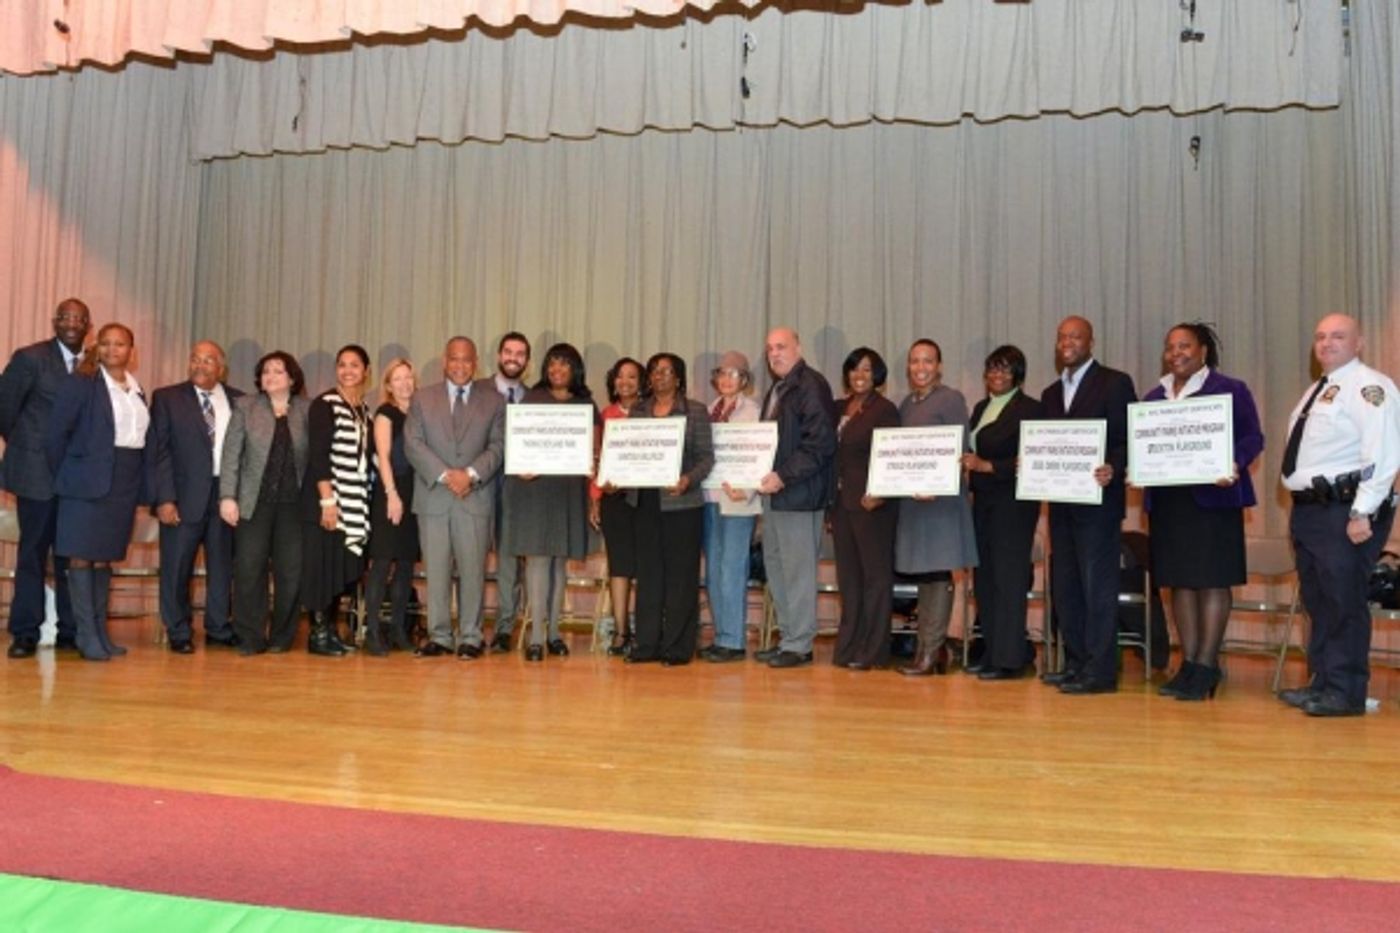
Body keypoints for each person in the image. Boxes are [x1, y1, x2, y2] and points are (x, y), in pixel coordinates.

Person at [1278, 313, 1400, 717]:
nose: (1327, 343)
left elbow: (1381, 453)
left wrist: (1363, 510)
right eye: (1321, 337)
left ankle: (1346, 691)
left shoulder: (1369, 387)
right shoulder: (1320, 390)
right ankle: (1323, 681)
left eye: (1338, 336)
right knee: (1320, 600)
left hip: (1346, 511)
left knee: (1343, 599)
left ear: (1358, 342)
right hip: (1312, 513)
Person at [1143, 324, 1264, 701]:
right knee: (1180, 581)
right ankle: (1189, 664)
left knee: (1211, 580)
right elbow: (1145, 444)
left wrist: (1234, 462)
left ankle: (1207, 664)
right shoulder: (1153, 398)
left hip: (1214, 499)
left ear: (1203, 352)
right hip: (1169, 504)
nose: (1176, 353)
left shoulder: (1230, 389)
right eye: (1170, 347)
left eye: (1184, 346)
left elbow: (1253, 437)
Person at [1039, 316, 1137, 694]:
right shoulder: (1050, 394)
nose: (1068, 343)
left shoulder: (1115, 382)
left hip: (1098, 503)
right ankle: (1077, 662)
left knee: (1097, 587)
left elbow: (1129, 437)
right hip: (1061, 504)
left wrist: (1115, 465)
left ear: (1091, 342)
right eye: (1062, 336)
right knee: (1067, 586)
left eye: (1076, 337)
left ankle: (1100, 671)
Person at [44, 323, 150, 661]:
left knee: (104, 556)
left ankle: (101, 634)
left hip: (123, 482)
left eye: (120, 344)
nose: (112, 349)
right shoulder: (82, 382)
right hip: (84, 482)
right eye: (105, 343)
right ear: (97, 347)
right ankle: (85, 636)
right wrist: (71, 473)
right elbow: (55, 434)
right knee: (81, 556)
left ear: (131, 352)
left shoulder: (136, 389)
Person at [403, 338, 506, 659]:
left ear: (475, 363)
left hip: (474, 498)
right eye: (454, 359)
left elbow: (499, 446)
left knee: (473, 571)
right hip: (434, 497)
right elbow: (413, 444)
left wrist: (471, 474)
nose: (460, 366)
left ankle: (471, 637)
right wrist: (448, 475)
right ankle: (440, 636)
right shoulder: (422, 398)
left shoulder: (494, 401)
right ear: (444, 361)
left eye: (466, 360)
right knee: (435, 571)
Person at [0, 298, 90, 658]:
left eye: (79, 319)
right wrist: (29, 448)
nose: (71, 323)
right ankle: (25, 632)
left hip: (76, 480)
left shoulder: (92, 366)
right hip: (36, 475)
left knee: (71, 555)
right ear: (55, 321)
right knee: (33, 554)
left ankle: (70, 630)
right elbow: (4, 411)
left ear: (88, 326)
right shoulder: (30, 357)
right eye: (65, 317)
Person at [499, 343, 600, 662]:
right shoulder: (532, 399)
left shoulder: (586, 404)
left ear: (575, 369)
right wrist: (521, 464)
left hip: (568, 491)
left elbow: (595, 448)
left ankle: (555, 633)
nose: (557, 370)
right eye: (552, 364)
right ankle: (536, 638)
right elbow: (516, 443)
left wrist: (594, 461)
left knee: (559, 564)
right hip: (533, 491)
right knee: (539, 562)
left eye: (564, 365)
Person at [149, 341, 243, 654]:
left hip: (225, 496)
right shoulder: (167, 398)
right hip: (181, 496)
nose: (200, 365)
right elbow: (159, 451)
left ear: (221, 367)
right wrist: (164, 498)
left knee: (221, 566)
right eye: (195, 359)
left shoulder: (240, 400)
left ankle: (218, 626)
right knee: (177, 567)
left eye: (208, 360)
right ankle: (178, 629)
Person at [895, 339, 978, 676]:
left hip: (942, 502)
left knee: (941, 572)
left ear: (939, 366)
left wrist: (937, 481)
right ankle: (930, 650)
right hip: (915, 502)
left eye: (927, 361)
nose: (920, 367)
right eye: (915, 361)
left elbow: (959, 447)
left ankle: (930, 652)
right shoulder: (905, 404)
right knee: (926, 574)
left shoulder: (951, 399)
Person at [961, 346, 1045, 680]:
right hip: (982, 503)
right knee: (985, 581)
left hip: (1014, 506)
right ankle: (993, 652)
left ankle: (1010, 660)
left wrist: (987, 465)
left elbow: (1032, 459)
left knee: (1008, 581)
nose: (997, 376)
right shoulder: (982, 407)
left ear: (1018, 375)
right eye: (992, 369)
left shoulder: (1031, 410)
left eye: (1005, 370)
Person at [624, 353, 714, 666]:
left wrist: (687, 479)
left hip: (682, 504)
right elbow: (627, 453)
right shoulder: (638, 412)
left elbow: (706, 458)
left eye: (667, 371)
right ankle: (647, 643)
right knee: (648, 575)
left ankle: (677, 646)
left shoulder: (696, 412)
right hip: (644, 501)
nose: (660, 376)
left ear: (678, 378)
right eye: (654, 371)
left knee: (680, 576)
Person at [756, 328, 837, 669]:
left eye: (782, 347)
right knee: (777, 568)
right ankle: (789, 636)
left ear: (798, 348)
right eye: (770, 349)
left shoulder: (811, 385)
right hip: (776, 496)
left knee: (798, 570)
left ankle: (800, 643)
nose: (775, 354)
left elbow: (820, 444)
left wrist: (783, 476)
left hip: (799, 495)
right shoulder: (778, 388)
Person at [220, 351, 311, 655]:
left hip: (293, 506)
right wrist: (227, 497)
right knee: (249, 568)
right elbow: (232, 455)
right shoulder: (246, 407)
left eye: (278, 371)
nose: (270, 376)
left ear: (292, 378)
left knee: (290, 572)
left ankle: (282, 637)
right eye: (265, 371)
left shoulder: (307, 411)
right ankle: (250, 636)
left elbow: (315, 461)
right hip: (253, 502)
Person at [300, 345, 373, 657]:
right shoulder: (324, 404)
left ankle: (329, 630)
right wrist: (328, 502)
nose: (347, 371)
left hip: (354, 501)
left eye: (354, 365)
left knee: (338, 568)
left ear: (366, 371)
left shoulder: (364, 409)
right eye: (342, 365)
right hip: (328, 501)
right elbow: (318, 456)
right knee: (322, 568)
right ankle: (317, 634)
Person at [830, 348, 900, 670]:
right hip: (842, 505)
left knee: (876, 579)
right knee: (849, 580)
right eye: (854, 369)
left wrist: (882, 492)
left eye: (867, 370)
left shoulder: (885, 410)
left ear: (878, 376)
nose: (860, 375)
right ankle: (848, 648)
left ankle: (874, 651)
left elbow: (892, 456)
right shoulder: (839, 407)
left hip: (873, 505)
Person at [699, 351, 762, 663]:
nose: (726, 379)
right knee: (713, 571)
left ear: (745, 380)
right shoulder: (709, 410)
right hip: (709, 498)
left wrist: (749, 490)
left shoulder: (753, 412)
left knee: (732, 569)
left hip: (737, 500)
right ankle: (721, 635)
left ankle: (733, 640)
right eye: (722, 373)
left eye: (734, 374)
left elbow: (760, 456)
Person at [361, 358, 421, 656]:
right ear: (387, 385)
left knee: (406, 565)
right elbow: (383, 457)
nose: (404, 383)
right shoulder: (385, 414)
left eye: (408, 377)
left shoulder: (421, 412)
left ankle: (398, 629)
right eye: (397, 378)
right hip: (391, 492)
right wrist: (392, 494)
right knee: (382, 564)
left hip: (416, 494)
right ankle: (372, 631)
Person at [588, 356, 644, 656]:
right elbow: (595, 460)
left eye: (632, 377)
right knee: (619, 567)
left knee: (647, 566)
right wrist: (595, 497)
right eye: (620, 377)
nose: (626, 382)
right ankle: (622, 631)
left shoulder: (651, 414)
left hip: (646, 500)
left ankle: (646, 631)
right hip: (614, 501)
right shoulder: (604, 415)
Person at [488, 332, 531, 652]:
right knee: (468, 559)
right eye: (508, 352)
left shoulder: (536, 398)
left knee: (509, 564)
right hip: (477, 488)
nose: (513, 358)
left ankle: (505, 627)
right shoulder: (476, 391)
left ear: (527, 361)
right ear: (499, 355)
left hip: (518, 492)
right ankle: (468, 626)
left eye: (520, 353)